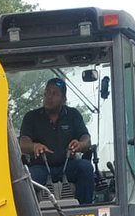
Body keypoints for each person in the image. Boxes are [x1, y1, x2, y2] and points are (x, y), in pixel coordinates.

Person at [19, 77, 95, 205]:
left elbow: (86, 140)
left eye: (54, 93)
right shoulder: (31, 117)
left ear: (64, 99)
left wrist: (80, 144)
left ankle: (85, 209)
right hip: (40, 168)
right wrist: (34, 146)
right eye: (47, 93)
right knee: (26, 179)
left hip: (68, 167)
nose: (49, 97)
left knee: (86, 168)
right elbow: (23, 142)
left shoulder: (73, 115)